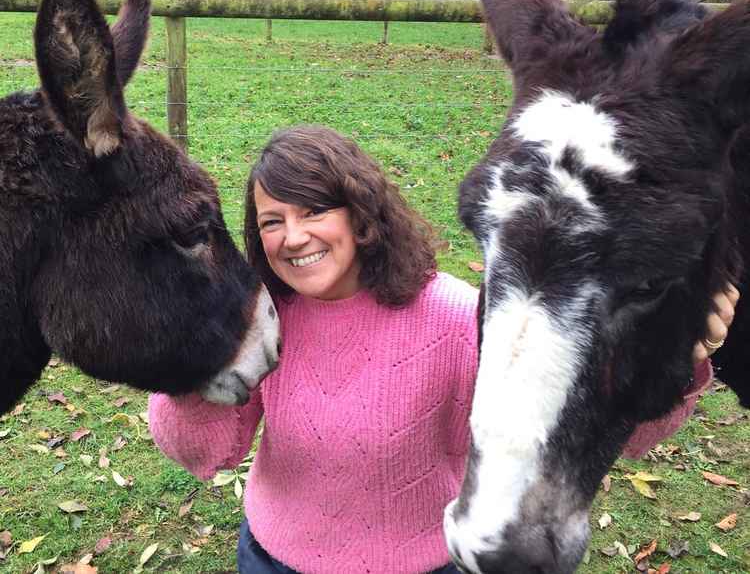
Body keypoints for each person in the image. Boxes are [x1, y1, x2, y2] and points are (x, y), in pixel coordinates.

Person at [148, 125, 737, 574]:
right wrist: (187, 366)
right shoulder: (260, 321)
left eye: (314, 211)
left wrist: (680, 362)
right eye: (271, 220)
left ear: (361, 216)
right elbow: (209, 453)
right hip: (272, 559)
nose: (292, 236)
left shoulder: (461, 319)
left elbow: (605, 437)